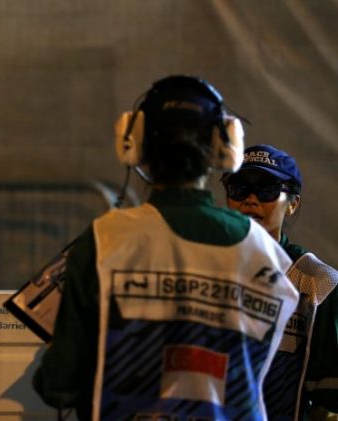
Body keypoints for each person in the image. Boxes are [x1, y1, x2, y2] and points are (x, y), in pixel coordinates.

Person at [31, 75, 299, 420]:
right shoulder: (264, 252)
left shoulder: (105, 241)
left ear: (134, 143)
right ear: (225, 146)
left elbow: (59, 384)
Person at [222, 144, 338, 421]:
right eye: (239, 188)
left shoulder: (316, 283)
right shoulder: (202, 263)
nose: (251, 200)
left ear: (293, 204)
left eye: (267, 189)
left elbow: (330, 394)